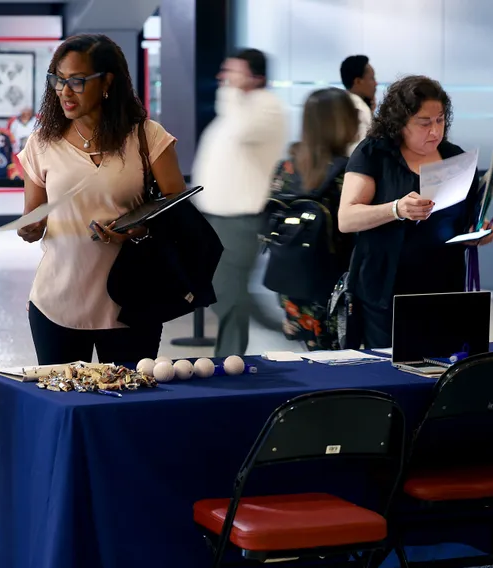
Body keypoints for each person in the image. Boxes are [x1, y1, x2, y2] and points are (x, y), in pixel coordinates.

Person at [15, 34, 186, 365]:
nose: (64, 91)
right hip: (56, 303)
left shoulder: (147, 136)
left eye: (76, 81)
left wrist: (137, 230)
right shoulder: (42, 143)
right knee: (64, 406)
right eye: (58, 80)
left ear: (107, 81)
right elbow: (32, 215)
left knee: (128, 409)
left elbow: (178, 211)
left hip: (131, 302)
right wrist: (30, 226)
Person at [339, 75, 493, 349]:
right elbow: (346, 218)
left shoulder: (454, 157)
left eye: (440, 120)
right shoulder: (375, 153)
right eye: (424, 123)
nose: (435, 131)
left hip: (444, 289)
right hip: (384, 290)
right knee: (392, 371)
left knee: (444, 367)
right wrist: (396, 208)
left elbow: (467, 222)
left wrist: (478, 234)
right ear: (400, 123)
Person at [191, 48, 289, 358]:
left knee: (229, 295)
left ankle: (231, 361)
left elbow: (241, 132)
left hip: (239, 219)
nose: (225, 78)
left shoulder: (265, 108)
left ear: (256, 76)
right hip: (215, 216)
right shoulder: (237, 108)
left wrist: (231, 94)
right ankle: (270, 325)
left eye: (233, 71)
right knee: (226, 291)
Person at [264, 88, 360, 349]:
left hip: (291, 284)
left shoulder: (286, 168)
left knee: (311, 354)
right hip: (334, 287)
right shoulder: (350, 173)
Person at [340, 54, 377, 153]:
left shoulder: (339, 103)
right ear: (358, 81)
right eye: (372, 78)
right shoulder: (360, 108)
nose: (376, 83)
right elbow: (364, 149)